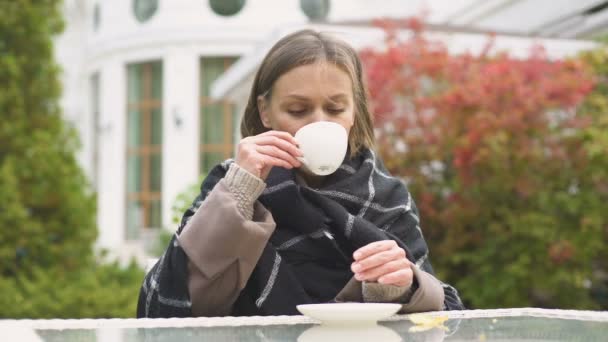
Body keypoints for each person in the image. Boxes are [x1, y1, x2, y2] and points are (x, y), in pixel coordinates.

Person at [137, 29, 464, 318]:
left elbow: (444, 317)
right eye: (297, 110)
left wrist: (397, 288)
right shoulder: (230, 183)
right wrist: (239, 193)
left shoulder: (388, 198)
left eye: (336, 109)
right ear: (265, 112)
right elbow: (162, 305)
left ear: (354, 112)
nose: (318, 121)